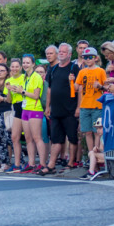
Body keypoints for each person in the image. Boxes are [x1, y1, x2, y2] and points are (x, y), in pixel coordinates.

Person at [43, 43, 81, 173]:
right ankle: (51, 165)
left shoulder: (74, 68)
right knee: (56, 138)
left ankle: (71, 162)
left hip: (70, 109)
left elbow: (80, 89)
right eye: (60, 51)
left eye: (64, 52)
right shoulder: (53, 69)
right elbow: (49, 89)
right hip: (56, 110)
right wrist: (48, 106)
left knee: (72, 137)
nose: (61, 53)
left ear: (70, 54)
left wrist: (78, 108)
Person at [9, 54, 47, 173]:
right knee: (28, 138)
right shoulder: (26, 76)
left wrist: (22, 91)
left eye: (27, 63)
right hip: (25, 109)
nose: (25, 65)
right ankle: (31, 163)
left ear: (33, 64)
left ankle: (42, 164)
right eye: (24, 63)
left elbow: (36, 96)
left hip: (35, 109)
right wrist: (17, 91)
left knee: (37, 137)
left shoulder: (36, 77)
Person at [75, 47, 107, 166]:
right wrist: (73, 82)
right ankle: (90, 155)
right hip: (85, 105)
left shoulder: (100, 71)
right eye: (85, 57)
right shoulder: (82, 72)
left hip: (97, 105)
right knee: (87, 131)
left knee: (97, 131)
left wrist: (100, 86)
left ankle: (97, 153)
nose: (88, 59)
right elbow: (76, 87)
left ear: (96, 58)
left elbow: (106, 87)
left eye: (90, 57)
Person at [5, 58, 26, 168]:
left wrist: (19, 89)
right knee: (14, 137)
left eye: (17, 66)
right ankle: (17, 164)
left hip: (26, 105)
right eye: (12, 67)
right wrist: (9, 90)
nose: (14, 69)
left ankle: (34, 163)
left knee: (30, 136)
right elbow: (8, 100)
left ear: (21, 68)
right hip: (16, 107)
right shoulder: (8, 80)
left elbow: (28, 91)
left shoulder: (25, 77)